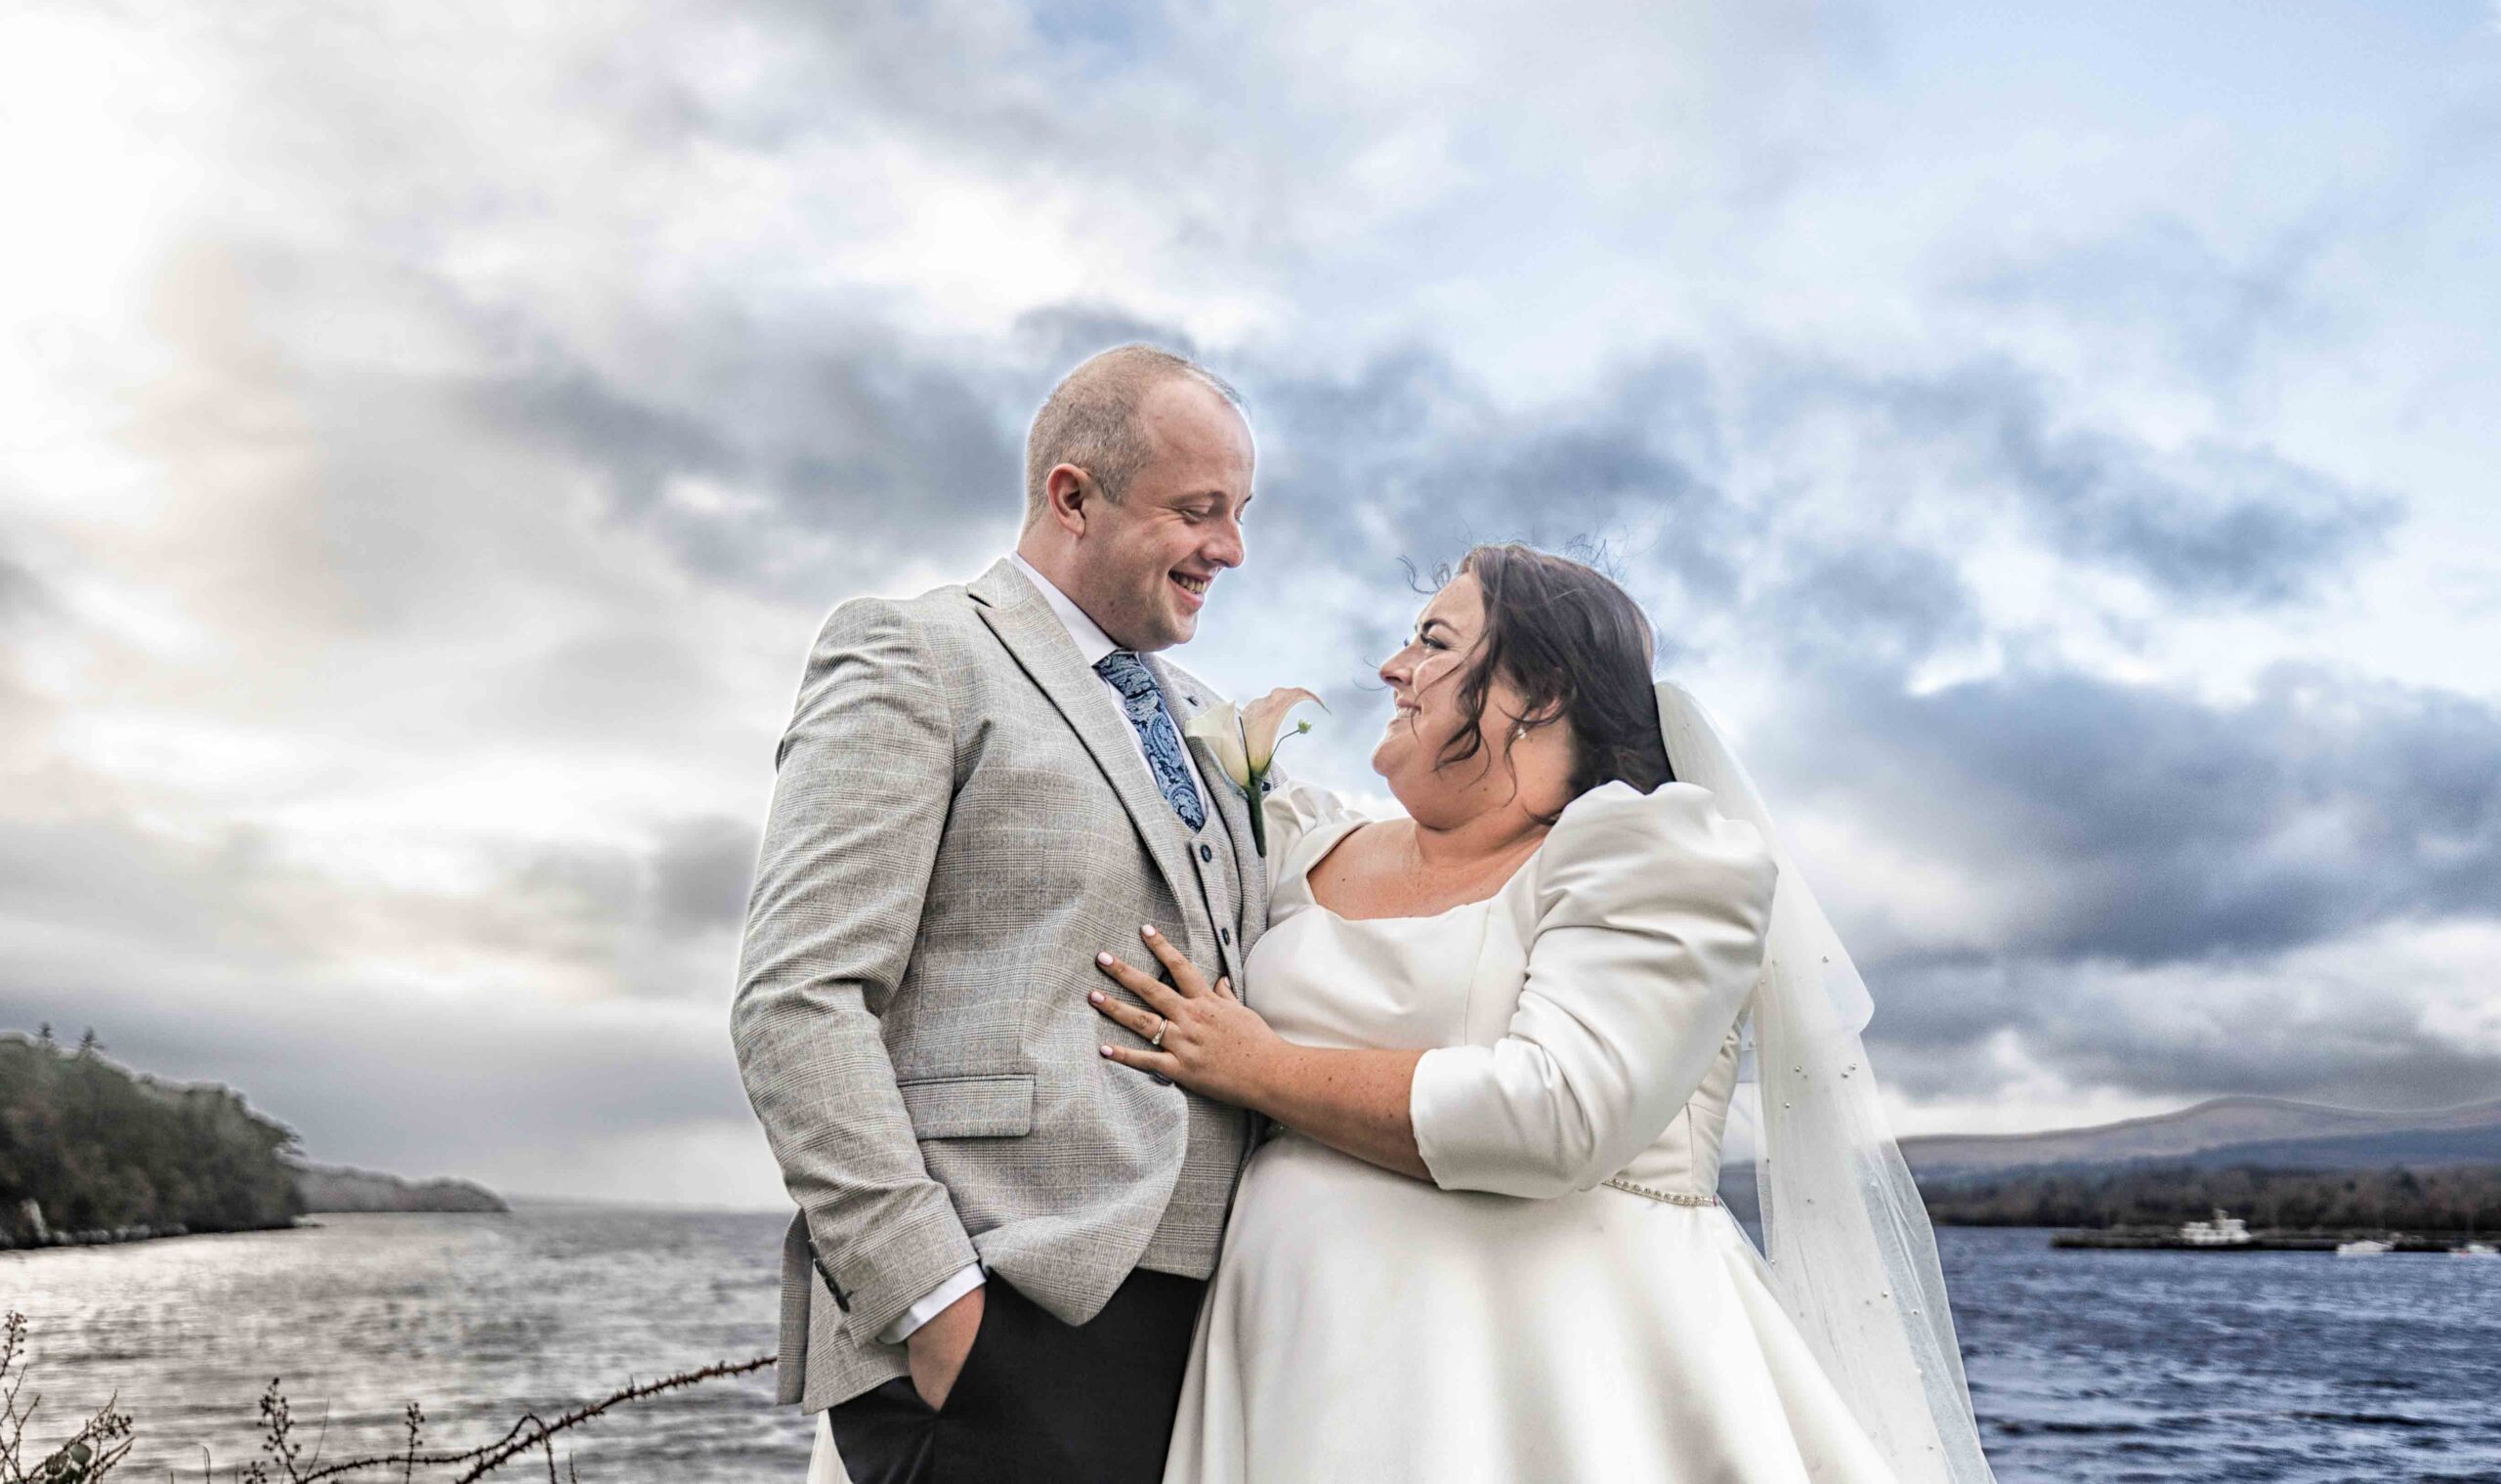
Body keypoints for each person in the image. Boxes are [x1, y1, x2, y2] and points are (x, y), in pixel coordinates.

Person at [1088, 543, 1999, 1484]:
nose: (1392, 669)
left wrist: (1262, 1069)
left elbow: (1561, 1110)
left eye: (1433, 641)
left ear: (1542, 690)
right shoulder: (1300, 843)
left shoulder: (1655, 854)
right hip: (1295, 1368)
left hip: (1557, 1385)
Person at [730, 345, 1269, 1484]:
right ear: (1073, 496)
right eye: (1197, 510)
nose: (1229, 547)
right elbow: (800, 996)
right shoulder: (917, 653)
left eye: (1239, 513)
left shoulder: (1206, 715)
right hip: (1006, 1310)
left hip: (1213, 1330)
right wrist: (934, 1304)